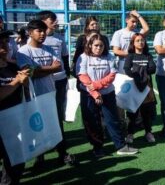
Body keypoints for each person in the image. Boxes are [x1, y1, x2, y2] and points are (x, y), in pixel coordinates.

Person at [76, 32, 138, 157]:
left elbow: (112, 75)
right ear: (90, 45)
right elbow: (82, 76)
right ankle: (97, 147)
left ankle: (120, 146)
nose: (99, 48)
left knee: (112, 120)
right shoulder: (83, 57)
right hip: (89, 95)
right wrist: (95, 93)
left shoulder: (109, 57)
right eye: (96, 45)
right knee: (92, 121)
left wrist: (97, 86)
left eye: (101, 46)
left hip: (107, 93)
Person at [37, 10, 76, 166]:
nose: (55, 21)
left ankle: (61, 151)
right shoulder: (34, 41)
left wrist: (66, 74)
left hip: (59, 82)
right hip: (41, 84)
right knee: (40, 118)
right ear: (43, 22)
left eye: (55, 19)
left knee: (57, 116)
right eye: (51, 19)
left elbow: (65, 58)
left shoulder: (60, 39)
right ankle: (40, 156)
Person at [0, 30, 29, 185]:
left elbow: (23, 91)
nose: (6, 45)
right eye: (1, 43)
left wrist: (24, 83)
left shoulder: (13, 66)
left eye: (6, 42)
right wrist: (16, 82)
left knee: (16, 160)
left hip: (15, 120)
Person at [123, 33, 157, 143]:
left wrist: (141, 71)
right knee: (132, 111)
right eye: (137, 40)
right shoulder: (130, 56)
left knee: (146, 111)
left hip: (146, 87)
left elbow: (152, 69)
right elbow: (127, 69)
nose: (140, 42)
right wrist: (137, 76)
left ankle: (148, 132)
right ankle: (130, 134)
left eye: (142, 40)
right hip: (133, 86)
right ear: (133, 43)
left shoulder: (148, 56)